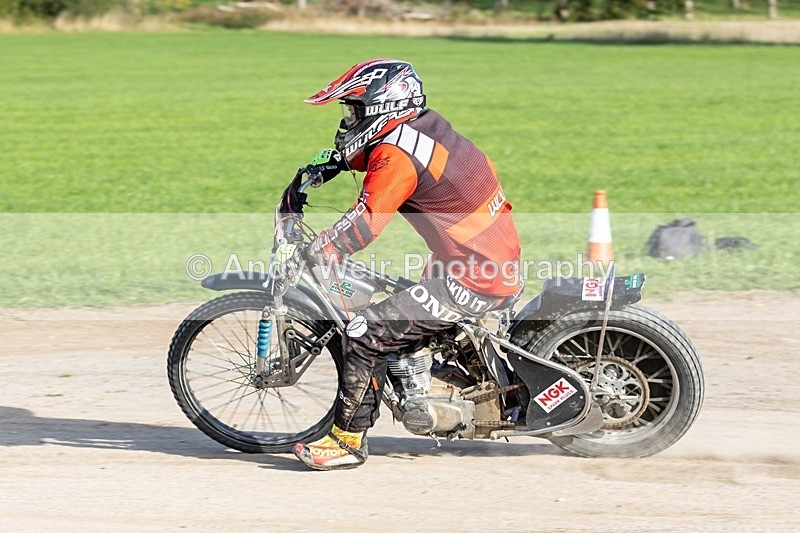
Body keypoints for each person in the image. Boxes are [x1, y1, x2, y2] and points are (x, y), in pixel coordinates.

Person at [289, 59, 522, 470]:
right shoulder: (424, 127)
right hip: (480, 255)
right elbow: (380, 155)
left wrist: (322, 249)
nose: (347, 121)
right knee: (400, 310)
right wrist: (332, 163)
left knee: (364, 333)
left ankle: (346, 442)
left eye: (354, 112)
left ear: (383, 107)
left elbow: (365, 223)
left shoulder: (396, 156)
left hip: (474, 274)